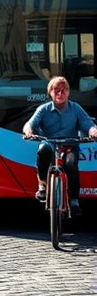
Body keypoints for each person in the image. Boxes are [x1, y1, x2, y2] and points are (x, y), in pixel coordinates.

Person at [23, 76, 97, 217]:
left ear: (68, 92)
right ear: (50, 92)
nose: (60, 93)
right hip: (49, 143)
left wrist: (93, 131)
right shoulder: (43, 109)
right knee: (43, 150)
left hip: (70, 144)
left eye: (64, 90)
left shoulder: (76, 108)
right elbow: (30, 123)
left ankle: (74, 201)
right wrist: (28, 131)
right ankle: (43, 185)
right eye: (56, 90)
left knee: (71, 164)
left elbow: (88, 124)